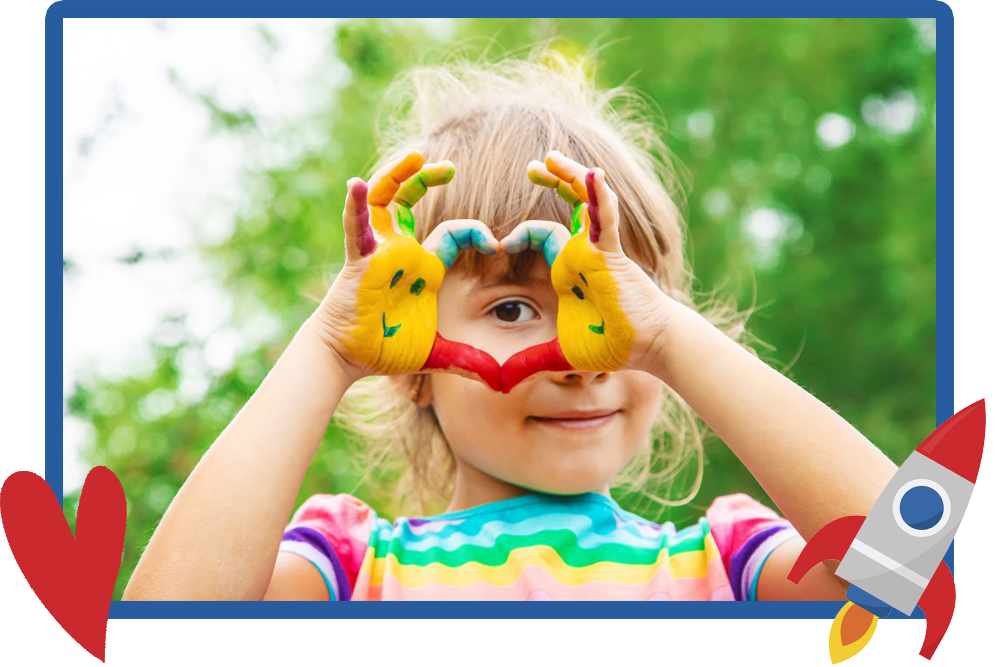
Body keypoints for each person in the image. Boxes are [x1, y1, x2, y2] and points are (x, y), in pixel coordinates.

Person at [122, 48, 898, 602]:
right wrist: (327, 350)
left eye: (618, 303)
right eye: (513, 307)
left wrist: (667, 336)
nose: (584, 359)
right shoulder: (353, 572)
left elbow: (919, 571)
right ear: (415, 366)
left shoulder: (727, 566)